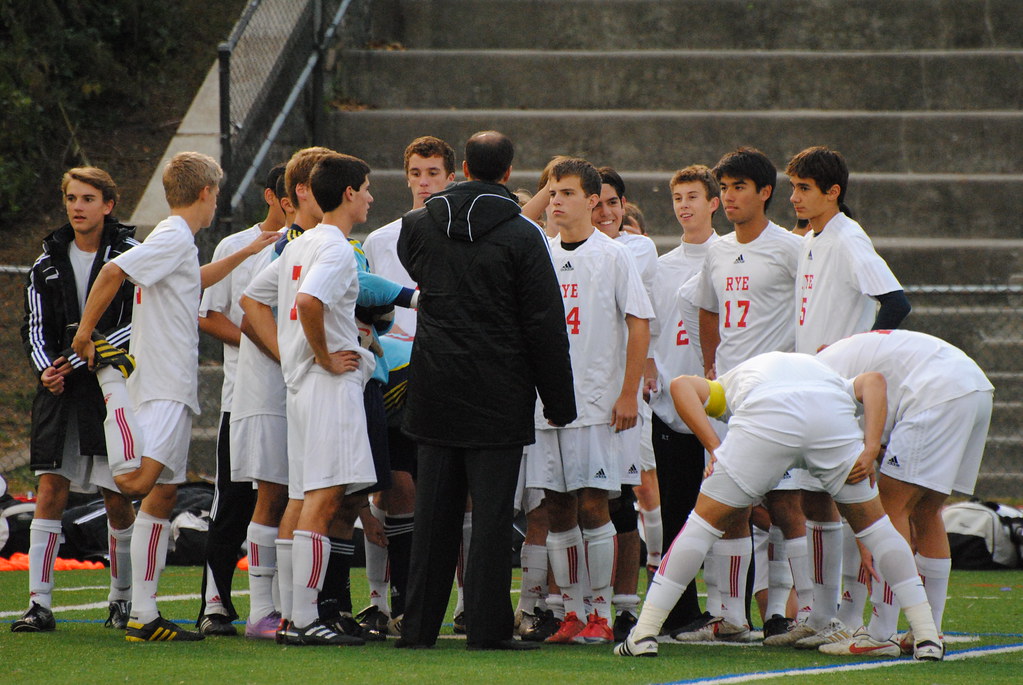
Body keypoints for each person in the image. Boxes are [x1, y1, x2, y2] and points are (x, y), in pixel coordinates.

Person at [615, 351, 944, 662]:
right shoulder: (825, 375)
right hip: (829, 417)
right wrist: (871, 447)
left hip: (765, 418)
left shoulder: (731, 385)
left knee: (699, 529)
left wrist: (715, 447)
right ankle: (928, 636)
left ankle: (643, 633)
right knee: (878, 530)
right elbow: (874, 380)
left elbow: (679, 385)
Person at [71, 152, 277, 642]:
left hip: (175, 386)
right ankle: (111, 389)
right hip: (159, 384)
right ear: (207, 193)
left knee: (163, 494)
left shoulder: (181, 242)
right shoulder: (170, 235)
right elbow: (113, 272)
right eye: (217, 195)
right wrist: (85, 335)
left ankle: (144, 614)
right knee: (139, 481)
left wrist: (244, 256)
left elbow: (191, 282)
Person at [396, 130, 576, 651]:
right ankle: (488, 629)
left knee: (434, 516)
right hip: (499, 392)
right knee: (492, 519)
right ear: (507, 173)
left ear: (464, 168)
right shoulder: (523, 236)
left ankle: (419, 628)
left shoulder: (418, 225)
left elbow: (420, 273)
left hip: (433, 386)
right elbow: (545, 324)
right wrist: (559, 400)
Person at [240, 152, 379, 646]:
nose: (369, 196)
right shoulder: (337, 248)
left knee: (301, 499)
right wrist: (320, 355)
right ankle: (303, 620)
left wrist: (291, 354)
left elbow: (252, 301)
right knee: (323, 499)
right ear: (346, 193)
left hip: (300, 389)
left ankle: (289, 614)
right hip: (326, 388)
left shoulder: (299, 245)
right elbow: (306, 303)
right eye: (364, 187)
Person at [783, 145, 911, 649]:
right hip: (813, 390)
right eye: (792, 187)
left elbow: (896, 303)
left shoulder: (848, 237)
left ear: (833, 192)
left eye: (804, 188)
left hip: (844, 394)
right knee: (818, 500)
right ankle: (823, 614)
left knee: (859, 507)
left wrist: (856, 351)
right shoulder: (813, 237)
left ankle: (860, 619)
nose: (794, 197)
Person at [522, 158, 653, 645]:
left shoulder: (614, 255)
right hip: (546, 404)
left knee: (595, 505)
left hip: (597, 403)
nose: (556, 200)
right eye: (552, 191)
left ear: (593, 200)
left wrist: (627, 391)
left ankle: (601, 611)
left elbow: (639, 322)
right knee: (556, 507)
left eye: (568, 193)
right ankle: (573, 611)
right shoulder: (542, 254)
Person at [688, 147, 806, 643]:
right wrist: (713, 366)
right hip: (730, 395)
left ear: (765, 193)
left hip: (778, 394)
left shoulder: (790, 248)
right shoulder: (715, 249)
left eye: (739, 187)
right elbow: (708, 309)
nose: (729, 196)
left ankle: (798, 614)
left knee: (786, 505)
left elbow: (811, 313)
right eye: (725, 187)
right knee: (730, 505)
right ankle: (732, 616)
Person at [14, 167, 138, 633]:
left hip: (110, 388)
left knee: (117, 494)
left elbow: (136, 321)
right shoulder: (45, 262)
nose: (77, 206)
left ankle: (121, 599)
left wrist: (81, 360)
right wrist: (48, 368)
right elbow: (33, 326)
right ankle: (39, 603)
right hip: (59, 391)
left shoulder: (132, 256)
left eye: (88, 198)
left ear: (108, 205)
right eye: (71, 197)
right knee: (50, 488)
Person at [816, 329, 992, 657]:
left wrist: (865, 535)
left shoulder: (815, 383)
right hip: (975, 387)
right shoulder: (840, 355)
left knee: (890, 505)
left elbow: (856, 467)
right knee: (927, 511)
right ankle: (928, 629)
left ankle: (881, 633)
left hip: (936, 392)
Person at [359, 135, 456, 636]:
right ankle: (385, 600)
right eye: (416, 173)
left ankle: (454, 603)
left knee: (451, 493)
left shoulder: (463, 235)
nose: (423, 183)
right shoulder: (379, 240)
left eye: (433, 173)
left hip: (449, 378)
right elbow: (368, 309)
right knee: (394, 487)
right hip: (394, 381)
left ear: (451, 178)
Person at [194, 163, 287, 636]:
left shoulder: (314, 241)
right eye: (288, 192)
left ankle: (288, 604)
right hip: (242, 393)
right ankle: (215, 602)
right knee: (233, 499)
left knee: (289, 495)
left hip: (295, 394)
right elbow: (208, 315)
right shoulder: (236, 246)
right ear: (271, 195)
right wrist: (267, 344)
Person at [644, 165, 721, 636]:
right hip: (670, 410)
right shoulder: (662, 267)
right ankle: (682, 612)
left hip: (721, 403)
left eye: (693, 196)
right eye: (678, 197)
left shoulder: (731, 257)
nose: (684, 205)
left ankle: (738, 612)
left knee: (733, 512)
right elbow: (649, 334)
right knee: (676, 512)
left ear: (714, 202)